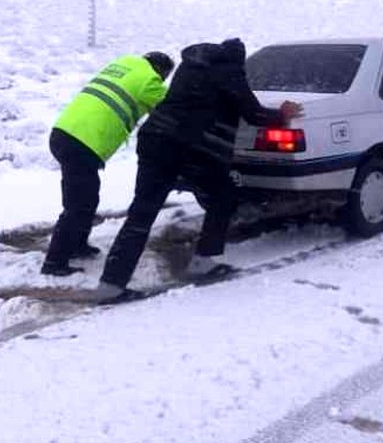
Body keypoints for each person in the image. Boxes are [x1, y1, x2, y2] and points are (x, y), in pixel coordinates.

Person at [96, 38, 303, 301]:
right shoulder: (229, 70)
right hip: (189, 147)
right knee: (224, 195)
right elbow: (253, 114)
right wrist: (282, 114)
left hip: (155, 139)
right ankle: (204, 261)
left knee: (142, 212)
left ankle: (111, 285)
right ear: (238, 59)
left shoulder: (190, 65)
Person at [41, 50, 176, 276]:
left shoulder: (124, 64)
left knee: (87, 198)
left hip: (63, 133)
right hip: (82, 143)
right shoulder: (149, 80)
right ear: (161, 72)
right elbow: (174, 106)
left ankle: (77, 245)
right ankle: (54, 262)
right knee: (78, 205)